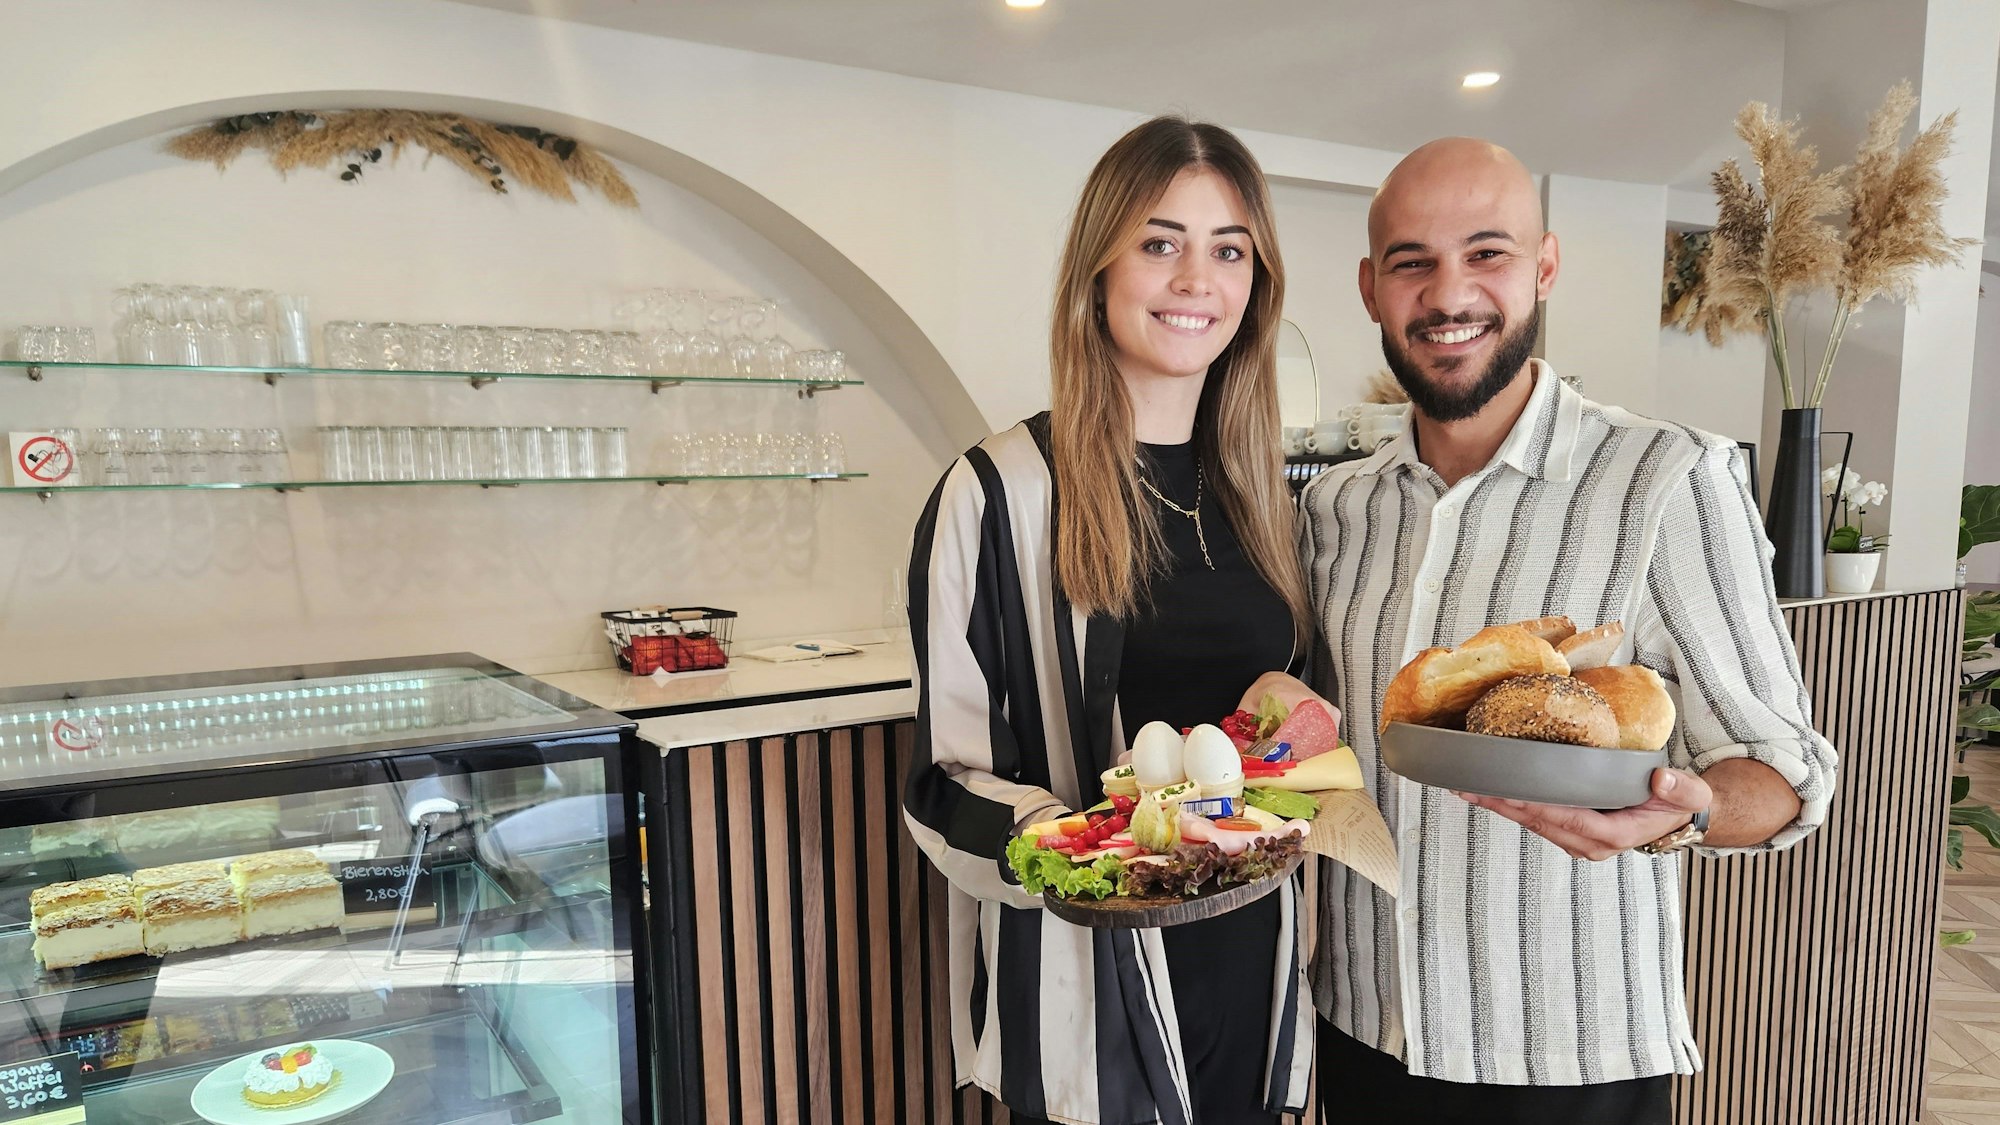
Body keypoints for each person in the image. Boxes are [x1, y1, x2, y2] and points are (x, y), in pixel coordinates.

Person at [1246, 137, 1839, 1123]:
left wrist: (1683, 810)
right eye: (1411, 262)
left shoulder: (1666, 479)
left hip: (1568, 1059)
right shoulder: (1331, 511)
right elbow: (1307, 739)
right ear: (1368, 287)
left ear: (1543, 268)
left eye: (1486, 254)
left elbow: (1784, 773)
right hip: (1362, 1034)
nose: (1447, 294)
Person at [902, 116, 1316, 1125]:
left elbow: (1276, 715)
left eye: (1228, 251)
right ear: (1098, 268)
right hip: (1086, 989)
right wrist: (1065, 841)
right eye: (1158, 242)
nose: (1195, 280)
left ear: (1254, 287)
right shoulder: (997, 495)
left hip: (1251, 961)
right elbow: (938, 780)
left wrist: (1290, 707)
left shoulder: (1263, 492)